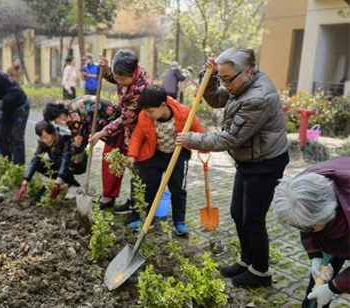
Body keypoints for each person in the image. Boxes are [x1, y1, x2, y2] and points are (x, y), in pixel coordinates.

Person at [175, 47, 289, 288]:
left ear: (247, 72)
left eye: (227, 79)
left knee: (253, 219)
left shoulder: (257, 98)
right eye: (222, 78)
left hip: (264, 163)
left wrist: (192, 139)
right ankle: (247, 260)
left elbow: (229, 139)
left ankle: (261, 272)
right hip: (248, 160)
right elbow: (216, 99)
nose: (224, 85)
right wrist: (209, 77)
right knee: (238, 214)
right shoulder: (242, 84)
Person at [272, 157, 350, 308]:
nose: (303, 230)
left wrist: (334, 287)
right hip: (333, 225)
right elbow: (304, 221)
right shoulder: (303, 185)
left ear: (325, 215)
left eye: (309, 227)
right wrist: (315, 255)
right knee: (317, 284)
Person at [126, 85, 204, 233]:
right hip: (154, 154)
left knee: (178, 189)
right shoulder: (144, 116)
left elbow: (199, 132)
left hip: (178, 155)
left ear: (163, 105)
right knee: (148, 188)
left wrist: (203, 146)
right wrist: (132, 155)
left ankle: (179, 222)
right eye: (145, 110)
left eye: (151, 111)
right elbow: (137, 136)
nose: (147, 114)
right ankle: (146, 220)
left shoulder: (184, 113)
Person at [88, 49, 151, 212]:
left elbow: (127, 118)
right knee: (113, 159)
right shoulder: (125, 73)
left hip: (141, 129)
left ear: (133, 73)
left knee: (137, 165)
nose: (119, 81)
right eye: (117, 76)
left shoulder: (141, 88)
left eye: (122, 78)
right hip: (126, 127)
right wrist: (107, 70)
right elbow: (115, 79)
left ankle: (137, 207)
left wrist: (102, 132)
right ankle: (110, 197)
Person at [42, 96, 121, 198]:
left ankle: (109, 198)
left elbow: (78, 145)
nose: (56, 124)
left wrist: (70, 168)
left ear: (60, 114)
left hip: (114, 122)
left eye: (55, 121)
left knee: (112, 160)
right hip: (106, 120)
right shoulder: (70, 109)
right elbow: (82, 137)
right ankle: (109, 196)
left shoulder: (73, 118)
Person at [16, 121, 86, 202]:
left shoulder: (65, 138)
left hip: (78, 163)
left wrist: (57, 183)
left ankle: (69, 184)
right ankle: (71, 183)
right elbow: (35, 160)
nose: (45, 140)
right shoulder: (43, 143)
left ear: (53, 133)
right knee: (39, 164)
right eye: (42, 138)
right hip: (60, 163)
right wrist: (25, 182)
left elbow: (65, 159)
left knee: (67, 162)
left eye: (46, 137)